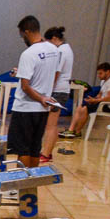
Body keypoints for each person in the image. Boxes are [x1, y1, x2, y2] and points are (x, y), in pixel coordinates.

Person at [6, 16, 60, 167]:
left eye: (22, 35)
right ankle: (31, 186)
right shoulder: (53, 50)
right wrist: (45, 96)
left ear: (27, 32)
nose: (23, 39)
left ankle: (21, 185)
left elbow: (25, 86)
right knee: (35, 148)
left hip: (26, 108)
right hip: (42, 109)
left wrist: (40, 98)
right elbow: (54, 73)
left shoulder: (29, 53)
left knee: (22, 149)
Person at [61, 65, 110, 139]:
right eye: (98, 73)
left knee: (85, 108)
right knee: (81, 106)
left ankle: (75, 131)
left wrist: (95, 101)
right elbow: (100, 94)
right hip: (103, 103)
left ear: (108, 72)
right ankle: (73, 130)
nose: (98, 76)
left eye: (100, 73)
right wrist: (92, 99)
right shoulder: (104, 81)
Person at [40, 27, 72, 161]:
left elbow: (56, 72)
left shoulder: (61, 51)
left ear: (54, 39)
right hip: (62, 89)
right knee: (52, 124)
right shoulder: (67, 49)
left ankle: (46, 154)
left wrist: (48, 90)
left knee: (50, 125)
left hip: (58, 90)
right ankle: (48, 151)